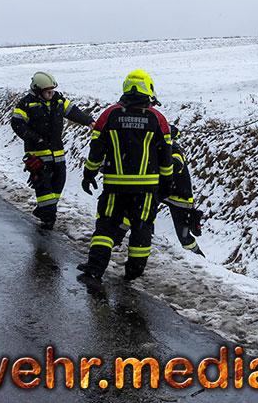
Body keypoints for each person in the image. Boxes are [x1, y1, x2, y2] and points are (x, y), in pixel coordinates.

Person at [77, 70, 174, 281]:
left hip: (115, 186)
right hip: (146, 188)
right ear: (148, 89)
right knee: (142, 226)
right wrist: (167, 182)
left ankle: (95, 267)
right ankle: (134, 271)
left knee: (106, 225)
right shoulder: (158, 119)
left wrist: (89, 173)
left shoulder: (109, 115)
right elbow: (166, 157)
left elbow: (96, 151)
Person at [10, 71, 94, 229]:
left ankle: (44, 211)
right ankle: (48, 218)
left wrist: (89, 121)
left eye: (52, 91)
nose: (51, 94)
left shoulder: (58, 100)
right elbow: (17, 124)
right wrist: (35, 139)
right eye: (48, 91)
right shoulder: (26, 104)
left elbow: (73, 112)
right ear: (38, 90)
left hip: (58, 153)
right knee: (44, 188)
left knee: (58, 184)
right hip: (38, 156)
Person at [161, 125, 204, 256]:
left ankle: (200, 259)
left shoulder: (174, 152)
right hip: (167, 195)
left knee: (184, 238)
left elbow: (175, 166)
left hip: (181, 200)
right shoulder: (161, 149)